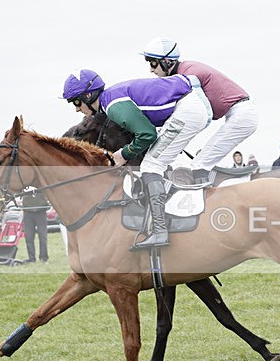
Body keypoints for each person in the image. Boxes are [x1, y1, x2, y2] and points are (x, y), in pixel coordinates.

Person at [63, 68, 212, 249]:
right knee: (156, 158)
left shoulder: (112, 106)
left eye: (76, 102)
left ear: (88, 96)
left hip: (188, 108)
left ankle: (160, 231)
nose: (77, 109)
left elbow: (147, 134)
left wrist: (124, 154)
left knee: (151, 166)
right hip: (191, 103)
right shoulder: (111, 100)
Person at [142, 36, 258, 183]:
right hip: (240, 111)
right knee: (200, 162)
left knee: (200, 165)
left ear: (167, 61)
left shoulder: (186, 75)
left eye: (153, 63)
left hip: (242, 113)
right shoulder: (185, 70)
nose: (151, 70)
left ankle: (205, 194)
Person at [21, 187, 50, 263]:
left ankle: (43, 258)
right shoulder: (25, 184)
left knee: (42, 236)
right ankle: (31, 258)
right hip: (28, 212)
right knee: (29, 237)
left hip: (41, 212)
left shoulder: (39, 183)